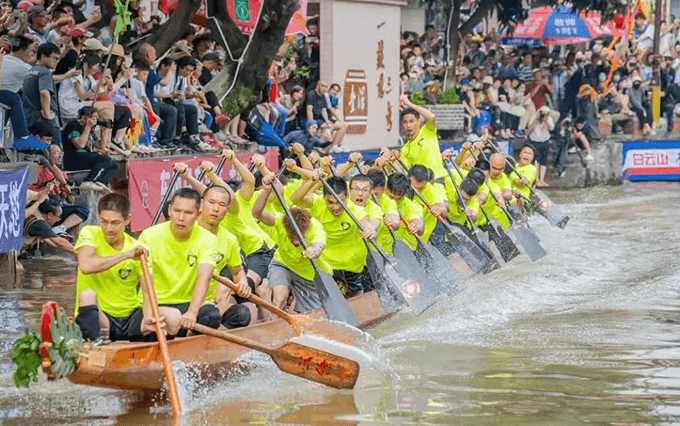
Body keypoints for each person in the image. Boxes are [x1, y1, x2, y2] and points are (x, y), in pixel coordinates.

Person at [74, 193, 170, 342]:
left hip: (130, 316)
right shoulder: (89, 233)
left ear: (127, 220)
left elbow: (147, 292)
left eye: (115, 223)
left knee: (173, 319)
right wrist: (125, 255)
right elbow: (86, 266)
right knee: (87, 295)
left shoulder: (139, 249)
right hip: (102, 318)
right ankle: (96, 342)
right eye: (104, 222)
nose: (109, 228)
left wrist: (149, 318)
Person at [138, 188, 222, 337]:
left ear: (198, 215)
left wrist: (192, 312)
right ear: (169, 210)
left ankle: (188, 342)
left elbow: (205, 278)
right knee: (170, 319)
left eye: (188, 213)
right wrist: (150, 314)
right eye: (177, 211)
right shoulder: (149, 236)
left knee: (212, 316)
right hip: (155, 304)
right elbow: (146, 283)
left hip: (186, 303)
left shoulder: (208, 239)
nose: (181, 218)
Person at [252, 173, 330, 312]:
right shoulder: (281, 220)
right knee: (279, 298)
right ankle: (277, 325)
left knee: (316, 312)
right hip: (283, 264)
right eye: (291, 237)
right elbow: (257, 214)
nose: (295, 241)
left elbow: (319, 244)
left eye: (300, 238)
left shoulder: (315, 227)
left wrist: (314, 251)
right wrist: (266, 191)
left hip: (308, 273)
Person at [292, 174, 376, 297]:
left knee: (357, 302)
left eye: (340, 201)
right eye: (330, 202)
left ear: (347, 196)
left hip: (352, 266)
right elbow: (295, 199)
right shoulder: (318, 203)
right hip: (326, 265)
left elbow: (368, 225)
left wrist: (371, 231)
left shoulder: (355, 210)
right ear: (324, 197)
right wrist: (312, 179)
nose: (335, 207)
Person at [61, 106, 120, 192]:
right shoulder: (73, 126)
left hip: (85, 157)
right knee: (104, 160)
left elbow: (101, 146)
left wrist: (103, 132)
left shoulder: (90, 130)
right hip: (73, 159)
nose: (96, 121)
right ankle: (89, 181)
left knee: (114, 165)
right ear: (85, 119)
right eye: (94, 118)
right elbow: (80, 145)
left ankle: (101, 182)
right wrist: (88, 127)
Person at [395, 93, 446, 180]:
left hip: (438, 179)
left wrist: (409, 104)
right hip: (422, 185)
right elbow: (404, 170)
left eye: (411, 121)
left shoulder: (427, 131)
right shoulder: (405, 149)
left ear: (419, 121)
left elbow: (431, 117)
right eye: (405, 122)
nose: (408, 125)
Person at [22, 42, 62, 145]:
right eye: (55, 58)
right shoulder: (45, 72)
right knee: (55, 154)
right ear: (43, 56)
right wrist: (47, 113)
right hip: (45, 123)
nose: (56, 62)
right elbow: (44, 93)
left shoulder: (30, 71)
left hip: (29, 120)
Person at [527, 106, 554, 187]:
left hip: (545, 141)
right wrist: (536, 119)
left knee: (543, 161)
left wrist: (545, 121)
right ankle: (536, 179)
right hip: (535, 141)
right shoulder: (534, 118)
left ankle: (542, 179)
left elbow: (551, 128)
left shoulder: (549, 119)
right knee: (536, 161)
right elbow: (529, 128)